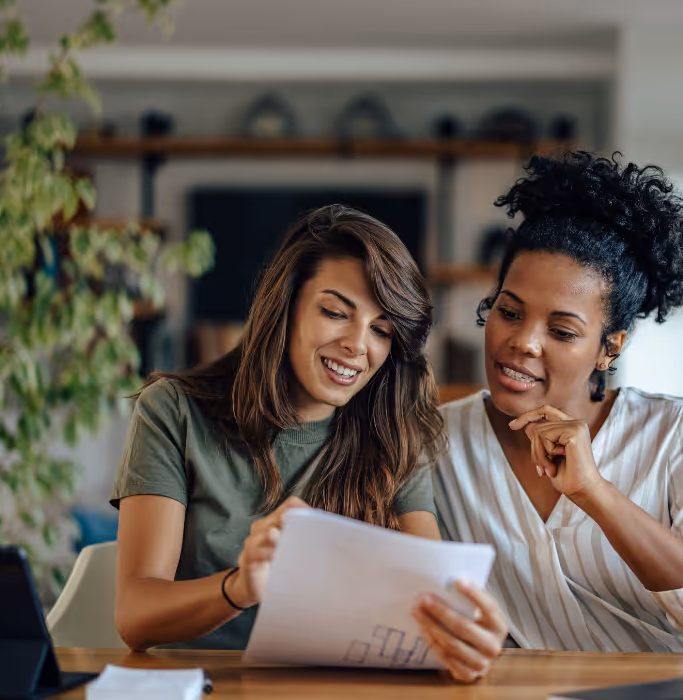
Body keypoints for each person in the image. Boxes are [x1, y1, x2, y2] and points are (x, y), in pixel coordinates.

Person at [415, 153, 683, 673]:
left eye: (562, 331)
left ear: (609, 347)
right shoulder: (437, 441)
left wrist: (596, 494)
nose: (523, 343)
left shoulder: (676, 433)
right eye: (509, 311)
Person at [112, 205, 464, 653]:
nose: (358, 345)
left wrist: (461, 628)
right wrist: (239, 587)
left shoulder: (394, 433)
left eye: (382, 329)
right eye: (336, 312)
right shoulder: (174, 412)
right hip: (200, 696)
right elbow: (135, 614)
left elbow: (431, 595)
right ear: (286, 305)